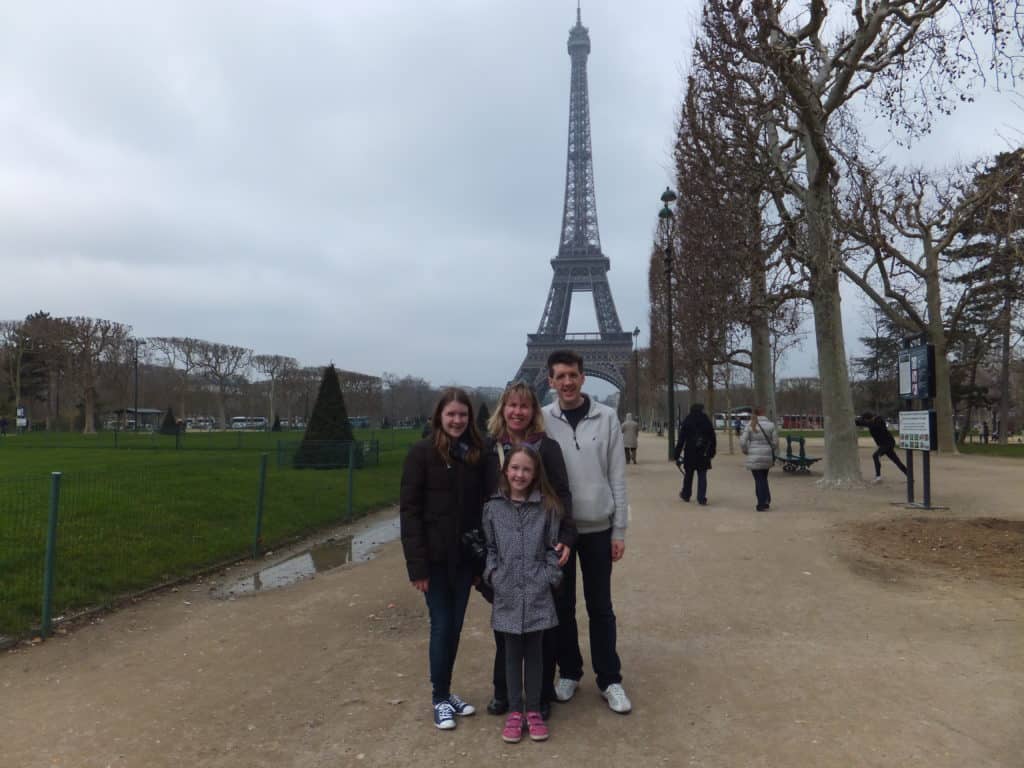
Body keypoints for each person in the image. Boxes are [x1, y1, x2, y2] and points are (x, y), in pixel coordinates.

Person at [542, 350, 632, 715]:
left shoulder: (607, 417)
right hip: (558, 530)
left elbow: (617, 476)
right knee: (562, 607)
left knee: (600, 607)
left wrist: (619, 530)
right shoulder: (542, 419)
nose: (567, 382)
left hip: (597, 526)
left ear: (583, 377)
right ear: (550, 381)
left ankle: (610, 678)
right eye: (560, 376)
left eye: (572, 375)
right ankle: (570, 671)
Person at [400, 388, 491, 730]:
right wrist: (417, 567)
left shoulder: (475, 454)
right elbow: (409, 513)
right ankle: (440, 697)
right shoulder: (421, 454)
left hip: (464, 558)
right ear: (439, 415)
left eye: (462, 415)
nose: (457, 420)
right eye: (451, 414)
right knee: (442, 626)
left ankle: (446, 691)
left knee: (453, 627)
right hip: (435, 561)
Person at [484, 382, 575, 721]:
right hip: (503, 551)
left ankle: (539, 695)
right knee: (504, 625)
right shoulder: (490, 448)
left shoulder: (547, 448)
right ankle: (503, 690)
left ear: (533, 411)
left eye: (524, 406)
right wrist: (489, 567)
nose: (517, 412)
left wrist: (566, 535)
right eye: (512, 405)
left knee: (542, 628)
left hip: (539, 548)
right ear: (503, 408)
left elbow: (563, 494)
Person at [482, 445, 564, 743]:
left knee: (536, 654)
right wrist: (493, 574)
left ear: (535, 473)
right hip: (506, 592)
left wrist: (549, 576)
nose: (519, 474)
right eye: (515, 468)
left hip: (538, 590)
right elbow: (490, 547)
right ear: (506, 471)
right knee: (511, 654)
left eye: (526, 469)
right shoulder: (492, 507)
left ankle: (533, 710)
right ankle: (515, 709)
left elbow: (552, 547)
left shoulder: (547, 507)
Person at [673, 403, 717, 505]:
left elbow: (681, 440)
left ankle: (686, 494)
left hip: (690, 452)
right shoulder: (706, 421)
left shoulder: (687, 421)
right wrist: (711, 452)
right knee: (702, 476)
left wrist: (677, 454)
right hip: (703, 452)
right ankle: (701, 498)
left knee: (688, 475)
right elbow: (713, 438)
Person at [740, 406, 779, 511]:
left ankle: (761, 502)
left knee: (758, 480)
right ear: (763, 412)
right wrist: (770, 448)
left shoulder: (750, 425)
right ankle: (766, 499)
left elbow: (743, 441)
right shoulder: (771, 425)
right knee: (763, 478)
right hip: (767, 454)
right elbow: (775, 442)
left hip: (753, 454)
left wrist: (746, 451)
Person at [855, 411, 907, 483]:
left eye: (865, 420)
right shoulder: (869, 422)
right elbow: (858, 422)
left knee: (875, 456)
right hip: (883, 444)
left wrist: (863, 422)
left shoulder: (879, 421)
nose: (864, 421)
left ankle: (878, 477)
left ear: (869, 419)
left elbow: (873, 425)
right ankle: (909, 475)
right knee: (896, 461)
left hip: (888, 443)